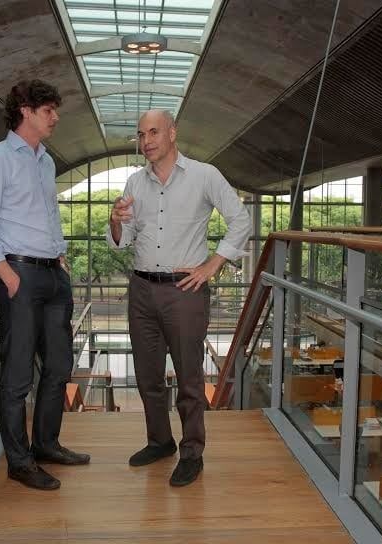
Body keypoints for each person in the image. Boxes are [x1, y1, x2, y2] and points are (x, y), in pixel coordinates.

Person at [107, 109, 251, 486]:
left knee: (188, 378)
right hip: (141, 288)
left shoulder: (205, 175)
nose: (146, 141)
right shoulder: (134, 182)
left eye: (154, 132)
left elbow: (241, 220)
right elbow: (125, 240)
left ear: (173, 133)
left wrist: (213, 264)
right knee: (147, 376)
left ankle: (192, 453)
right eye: (141, 135)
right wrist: (115, 221)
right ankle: (160, 442)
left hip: (184, 291)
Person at [0, 79, 89, 491]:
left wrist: (59, 258)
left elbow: (46, 215)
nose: (56, 117)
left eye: (55, 109)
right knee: (18, 376)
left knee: (58, 367)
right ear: (24, 109)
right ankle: (19, 463)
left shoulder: (46, 161)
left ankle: (47, 444)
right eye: (48, 110)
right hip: (18, 274)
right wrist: (8, 275)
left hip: (53, 275)